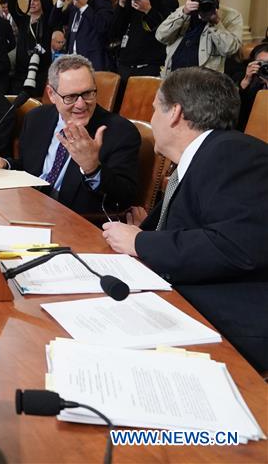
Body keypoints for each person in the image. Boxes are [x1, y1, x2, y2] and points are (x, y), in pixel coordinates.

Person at [102, 67, 268, 372]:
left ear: (175, 113)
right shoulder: (204, 155)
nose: (151, 121)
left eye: (154, 110)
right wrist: (141, 233)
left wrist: (141, 241)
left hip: (230, 321)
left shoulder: (232, 152)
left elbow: (235, 246)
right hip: (187, 302)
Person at [0, 54, 141, 215]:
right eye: (70, 97)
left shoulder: (120, 132)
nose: (81, 104)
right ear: (51, 94)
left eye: (87, 94)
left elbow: (124, 198)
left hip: (75, 222)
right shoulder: (36, 118)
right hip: (28, 208)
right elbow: (29, 168)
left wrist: (92, 168)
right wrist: (6, 164)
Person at [109, 0, 179, 80]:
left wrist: (148, 10)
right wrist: (121, 3)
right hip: (125, 66)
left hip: (151, 66)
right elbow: (114, 31)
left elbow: (170, 31)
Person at [155, 0, 243, 75]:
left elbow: (230, 49)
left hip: (204, 81)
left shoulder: (230, 16)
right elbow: (161, 36)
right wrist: (183, 13)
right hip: (174, 77)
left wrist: (216, 22)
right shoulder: (184, 11)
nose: (203, 1)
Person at [49, 0, 114, 71]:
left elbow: (104, 27)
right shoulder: (73, 4)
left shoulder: (101, 0)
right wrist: (61, 0)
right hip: (73, 62)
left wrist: (84, 7)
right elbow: (53, 22)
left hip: (94, 63)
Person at [8, 0, 55, 95]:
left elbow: (48, 5)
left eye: (36, 0)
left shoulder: (47, 21)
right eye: (30, 0)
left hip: (41, 73)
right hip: (21, 73)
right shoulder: (23, 20)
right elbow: (12, 6)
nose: (33, 3)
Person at [238, 42, 268, 128]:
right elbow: (235, 111)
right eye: (261, 63)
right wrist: (246, 81)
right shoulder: (243, 77)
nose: (265, 67)